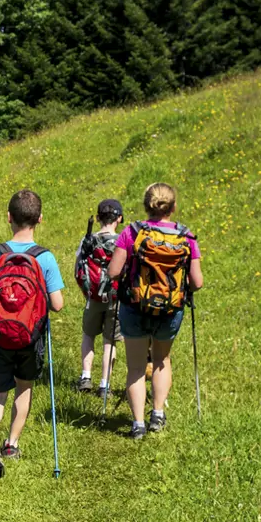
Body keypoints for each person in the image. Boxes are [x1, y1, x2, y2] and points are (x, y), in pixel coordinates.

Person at [0, 188, 67, 477]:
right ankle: (11, 444)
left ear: (8, 217)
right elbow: (58, 305)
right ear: (40, 219)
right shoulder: (45, 258)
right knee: (23, 387)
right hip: (30, 337)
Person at [107, 182, 202, 440]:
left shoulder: (132, 232)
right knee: (162, 361)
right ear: (173, 207)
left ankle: (137, 423)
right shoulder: (186, 236)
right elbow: (197, 282)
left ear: (146, 205)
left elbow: (114, 272)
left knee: (136, 367)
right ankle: (157, 415)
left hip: (134, 306)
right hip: (170, 310)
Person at [73, 198, 125, 400]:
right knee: (109, 341)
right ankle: (105, 384)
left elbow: (78, 267)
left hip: (92, 297)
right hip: (115, 298)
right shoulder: (122, 242)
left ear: (98, 218)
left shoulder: (88, 240)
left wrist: (86, 291)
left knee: (88, 335)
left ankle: (86, 376)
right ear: (119, 218)